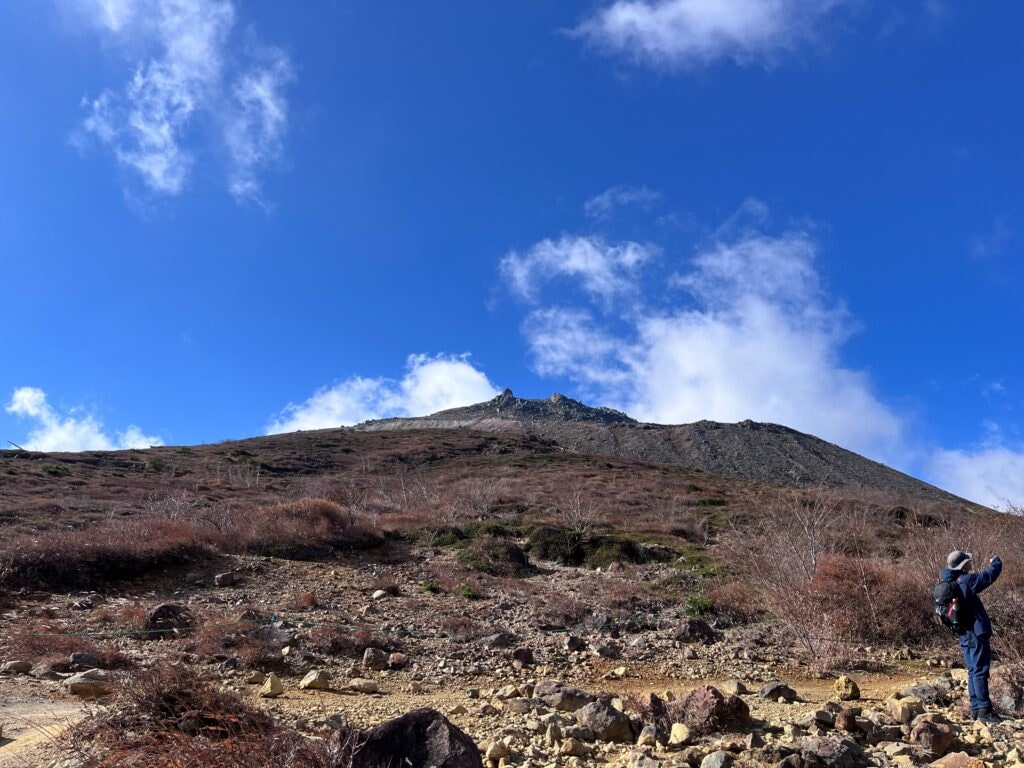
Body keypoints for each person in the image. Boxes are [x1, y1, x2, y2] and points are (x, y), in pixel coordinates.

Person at [939, 550, 1003, 723]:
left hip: (964, 633)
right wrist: (996, 561)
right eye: (968, 560)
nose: (971, 562)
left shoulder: (949, 581)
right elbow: (989, 576)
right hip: (975, 632)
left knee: (973, 670)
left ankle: (976, 709)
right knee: (980, 670)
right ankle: (984, 711)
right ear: (962, 565)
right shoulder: (966, 580)